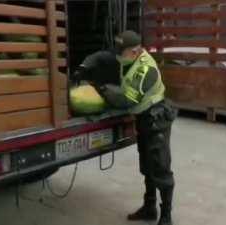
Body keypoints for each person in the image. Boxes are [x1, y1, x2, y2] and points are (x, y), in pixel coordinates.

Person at [72, 30, 176, 225]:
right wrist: (84, 66)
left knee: (160, 167)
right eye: (118, 50)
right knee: (147, 166)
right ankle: (149, 207)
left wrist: (101, 89)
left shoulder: (146, 70)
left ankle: (166, 216)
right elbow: (102, 56)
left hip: (156, 120)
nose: (118, 55)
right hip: (143, 118)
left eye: (122, 52)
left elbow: (127, 100)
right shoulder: (126, 55)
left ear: (135, 52)